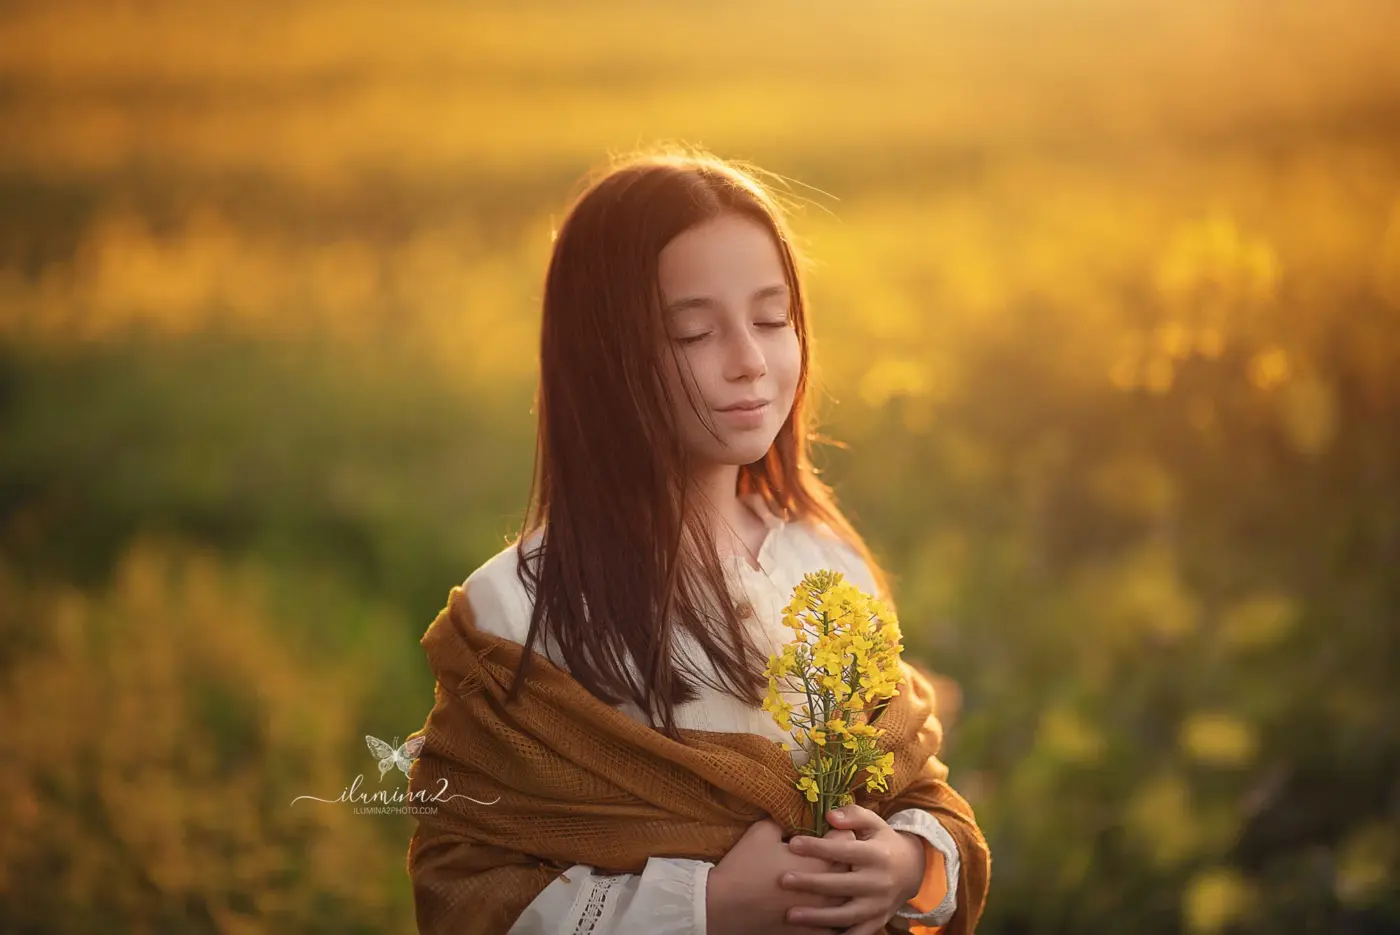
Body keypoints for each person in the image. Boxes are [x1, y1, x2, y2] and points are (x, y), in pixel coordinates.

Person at [408, 147, 986, 935]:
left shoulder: (830, 562)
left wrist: (909, 866)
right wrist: (707, 908)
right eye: (692, 332)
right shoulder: (515, 612)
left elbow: (918, 792)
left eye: (771, 318)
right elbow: (470, 892)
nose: (749, 362)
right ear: (601, 358)